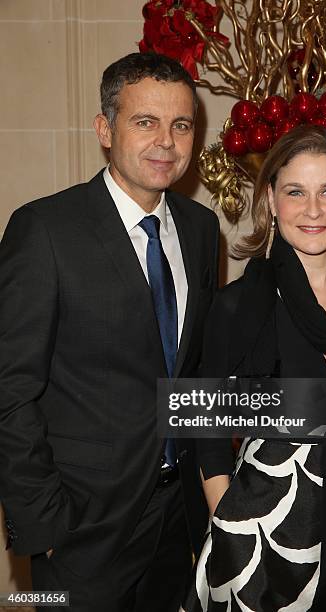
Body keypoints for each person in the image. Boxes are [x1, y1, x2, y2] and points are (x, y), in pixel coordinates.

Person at [0, 52, 219, 611]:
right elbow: (10, 389)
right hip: (80, 530)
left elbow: (191, 371)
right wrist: (44, 526)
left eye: (181, 124)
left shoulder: (200, 229)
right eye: (145, 122)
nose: (166, 141)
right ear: (105, 129)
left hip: (178, 520)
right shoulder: (44, 230)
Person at [183, 125, 326, 611]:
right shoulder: (237, 306)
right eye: (295, 192)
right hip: (265, 541)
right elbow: (205, 425)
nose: (312, 210)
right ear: (271, 199)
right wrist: (231, 524)